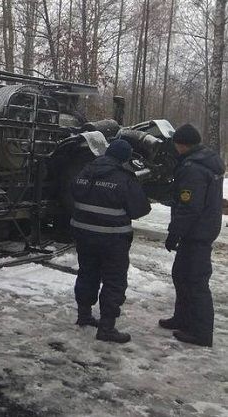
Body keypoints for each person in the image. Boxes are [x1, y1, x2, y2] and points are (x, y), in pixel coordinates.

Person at [71, 139, 151, 343]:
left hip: (84, 236)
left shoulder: (85, 172)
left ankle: (84, 315)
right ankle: (107, 328)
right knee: (114, 281)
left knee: (87, 273)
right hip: (112, 239)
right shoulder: (124, 178)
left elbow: (72, 194)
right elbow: (140, 209)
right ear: (124, 158)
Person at [161, 124, 224, 348]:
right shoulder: (206, 160)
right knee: (181, 275)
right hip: (201, 229)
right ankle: (183, 318)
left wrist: (174, 233)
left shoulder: (193, 168)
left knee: (196, 282)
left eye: (177, 144)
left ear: (182, 144)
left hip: (196, 232)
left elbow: (189, 207)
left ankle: (201, 332)